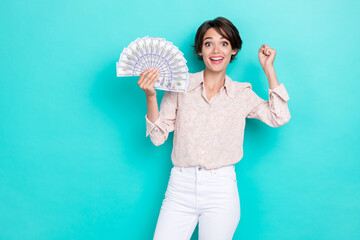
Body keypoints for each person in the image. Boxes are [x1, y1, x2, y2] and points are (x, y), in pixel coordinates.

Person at [137, 17, 291, 240]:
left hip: (221, 189)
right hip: (180, 187)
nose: (216, 50)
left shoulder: (241, 93)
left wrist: (269, 69)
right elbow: (158, 138)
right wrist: (151, 96)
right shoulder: (180, 86)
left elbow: (280, 116)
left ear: (234, 50)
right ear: (200, 50)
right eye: (208, 43)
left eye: (224, 43)